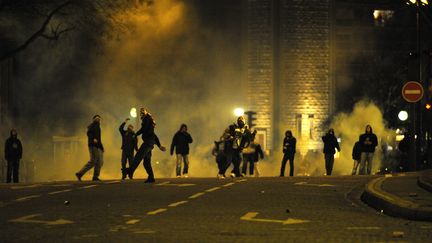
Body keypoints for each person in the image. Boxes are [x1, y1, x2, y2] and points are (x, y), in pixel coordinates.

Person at [127, 108, 166, 183]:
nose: (141, 112)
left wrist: (136, 134)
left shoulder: (147, 119)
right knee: (146, 162)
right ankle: (151, 178)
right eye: (140, 111)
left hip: (148, 143)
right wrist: (159, 145)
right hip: (150, 143)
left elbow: (143, 129)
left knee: (138, 156)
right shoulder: (148, 121)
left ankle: (130, 171)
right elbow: (153, 135)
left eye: (143, 111)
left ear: (146, 112)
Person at [76, 115, 104, 181]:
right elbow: (89, 133)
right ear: (93, 119)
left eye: (99, 119)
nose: (98, 119)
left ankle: (95, 177)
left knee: (99, 162)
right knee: (93, 161)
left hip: (97, 146)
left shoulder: (98, 127)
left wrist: (101, 147)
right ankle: (80, 173)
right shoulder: (92, 126)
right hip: (92, 145)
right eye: (97, 118)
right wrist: (93, 139)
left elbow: (99, 139)